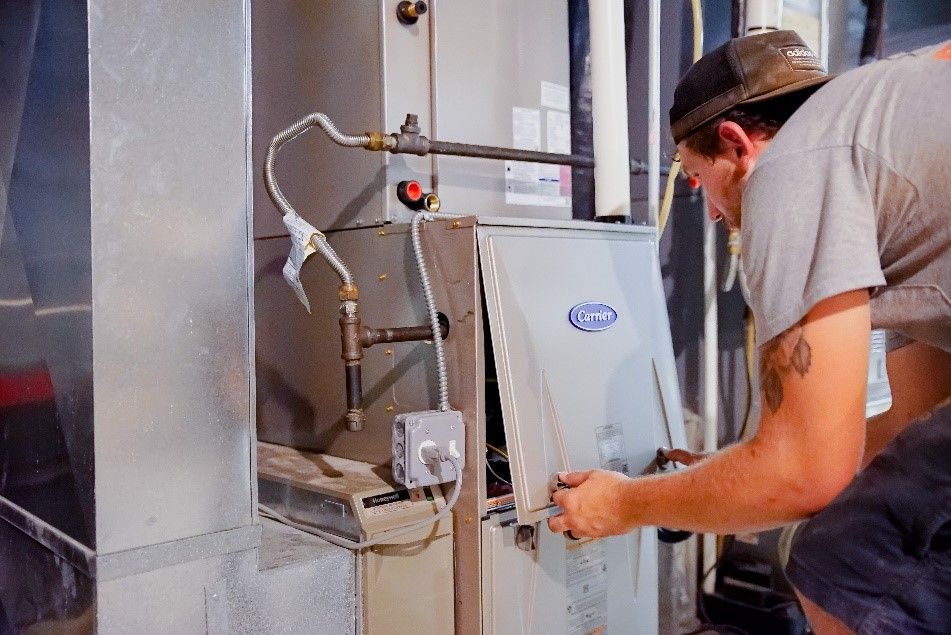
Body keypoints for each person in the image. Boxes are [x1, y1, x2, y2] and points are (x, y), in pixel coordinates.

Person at [548, 30, 950, 634]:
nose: (709, 212)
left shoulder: (794, 166)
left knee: (842, 562)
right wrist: (732, 474)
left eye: (695, 178)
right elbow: (907, 421)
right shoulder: (883, 144)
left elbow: (805, 472)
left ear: (736, 144)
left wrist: (620, 505)